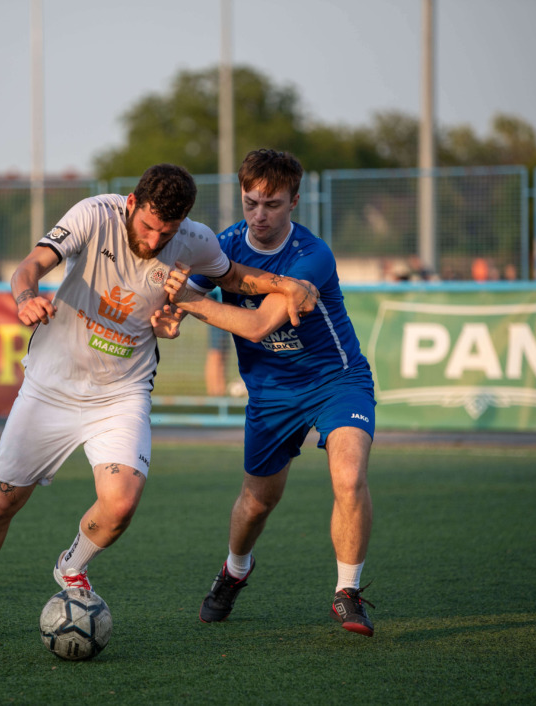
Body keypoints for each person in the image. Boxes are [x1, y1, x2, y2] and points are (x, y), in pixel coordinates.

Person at [0, 163, 318, 644]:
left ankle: (71, 566)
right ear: (132, 203)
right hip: (51, 385)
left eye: (165, 232)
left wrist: (284, 284)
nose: (153, 240)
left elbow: (233, 276)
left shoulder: (194, 240)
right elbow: (31, 265)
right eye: (147, 226)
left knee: (122, 502)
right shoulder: (94, 214)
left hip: (121, 392)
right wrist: (25, 296)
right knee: (2, 500)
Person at [164, 149, 378, 637]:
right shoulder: (222, 245)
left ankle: (347, 591)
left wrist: (190, 302)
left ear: (294, 202)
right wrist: (168, 316)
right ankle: (235, 570)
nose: (259, 215)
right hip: (270, 393)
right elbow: (177, 301)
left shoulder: (312, 255)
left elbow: (259, 325)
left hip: (336, 381)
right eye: (251, 203)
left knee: (349, 478)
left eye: (273, 204)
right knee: (257, 502)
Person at [204, 290, 231, 396]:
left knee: (223, 354)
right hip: (218, 315)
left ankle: (220, 392)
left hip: (230, 316)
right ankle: (215, 392)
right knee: (216, 354)